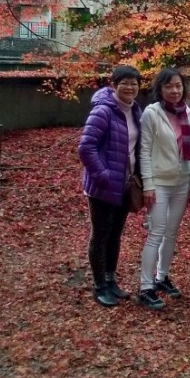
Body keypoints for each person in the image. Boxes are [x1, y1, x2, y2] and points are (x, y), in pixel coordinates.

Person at [78, 65, 143, 307]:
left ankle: (110, 279)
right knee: (101, 234)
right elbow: (86, 147)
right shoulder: (104, 111)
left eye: (134, 83)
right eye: (124, 82)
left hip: (124, 184)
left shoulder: (134, 110)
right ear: (113, 84)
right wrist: (103, 174)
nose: (130, 87)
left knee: (115, 234)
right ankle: (99, 286)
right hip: (103, 185)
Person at [138, 68, 190, 310]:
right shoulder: (152, 114)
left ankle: (161, 277)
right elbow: (144, 150)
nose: (175, 91)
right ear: (160, 89)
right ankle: (145, 286)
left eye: (178, 86)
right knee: (156, 232)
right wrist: (148, 184)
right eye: (169, 86)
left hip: (182, 182)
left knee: (171, 233)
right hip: (159, 183)